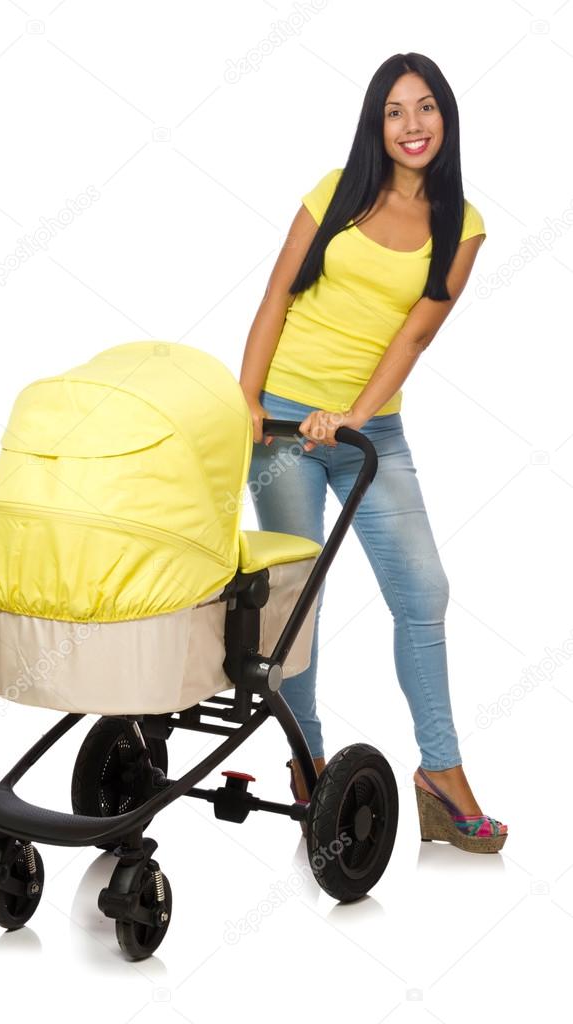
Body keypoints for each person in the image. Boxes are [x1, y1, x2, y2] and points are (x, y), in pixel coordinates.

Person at [238, 52, 507, 853]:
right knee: (299, 603)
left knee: (423, 589)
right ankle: (308, 756)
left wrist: (353, 416)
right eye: (395, 111)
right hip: (283, 429)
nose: (412, 125)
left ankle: (440, 770)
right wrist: (247, 399)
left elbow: (415, 335)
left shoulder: (463, 226)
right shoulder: (335, 192)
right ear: (376, 125)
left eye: (426, 109)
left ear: (446, 120)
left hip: (369, 432)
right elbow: (278, 291)